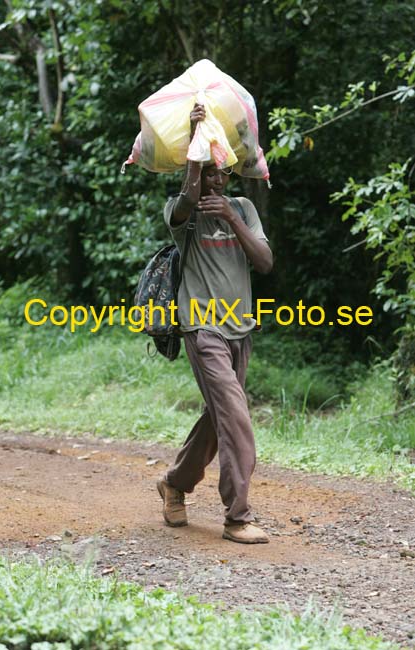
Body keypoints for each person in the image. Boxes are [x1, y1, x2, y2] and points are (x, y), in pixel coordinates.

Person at [157, 104, 273, 544]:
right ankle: (237, 516)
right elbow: (186, 199)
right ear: (196, 175)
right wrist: (194, 142)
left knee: (219, 415)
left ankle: (174, 483)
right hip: (202, 328)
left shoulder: (242, 208)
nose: (217, 180)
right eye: (209, 173)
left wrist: (230, 215)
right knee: (236, 415)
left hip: (239, 328)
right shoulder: (181, 214)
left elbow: (264, 262)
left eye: (222, 173)